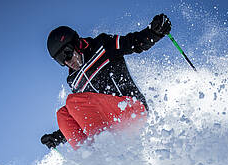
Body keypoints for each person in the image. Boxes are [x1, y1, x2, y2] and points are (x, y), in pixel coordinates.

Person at [41, 14, 172, 150]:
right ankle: (91, 159)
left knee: (73, 102)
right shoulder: (73, 79)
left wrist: (154, 32)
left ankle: (103, 150)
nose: (67, 61)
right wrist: (59, 136)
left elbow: (133, 42)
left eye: (67, 53)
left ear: (77, 43)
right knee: (63, 114)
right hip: (111, 123)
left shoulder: (102, 45)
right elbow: (84, 115)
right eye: (61, 60)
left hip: (131, 108)